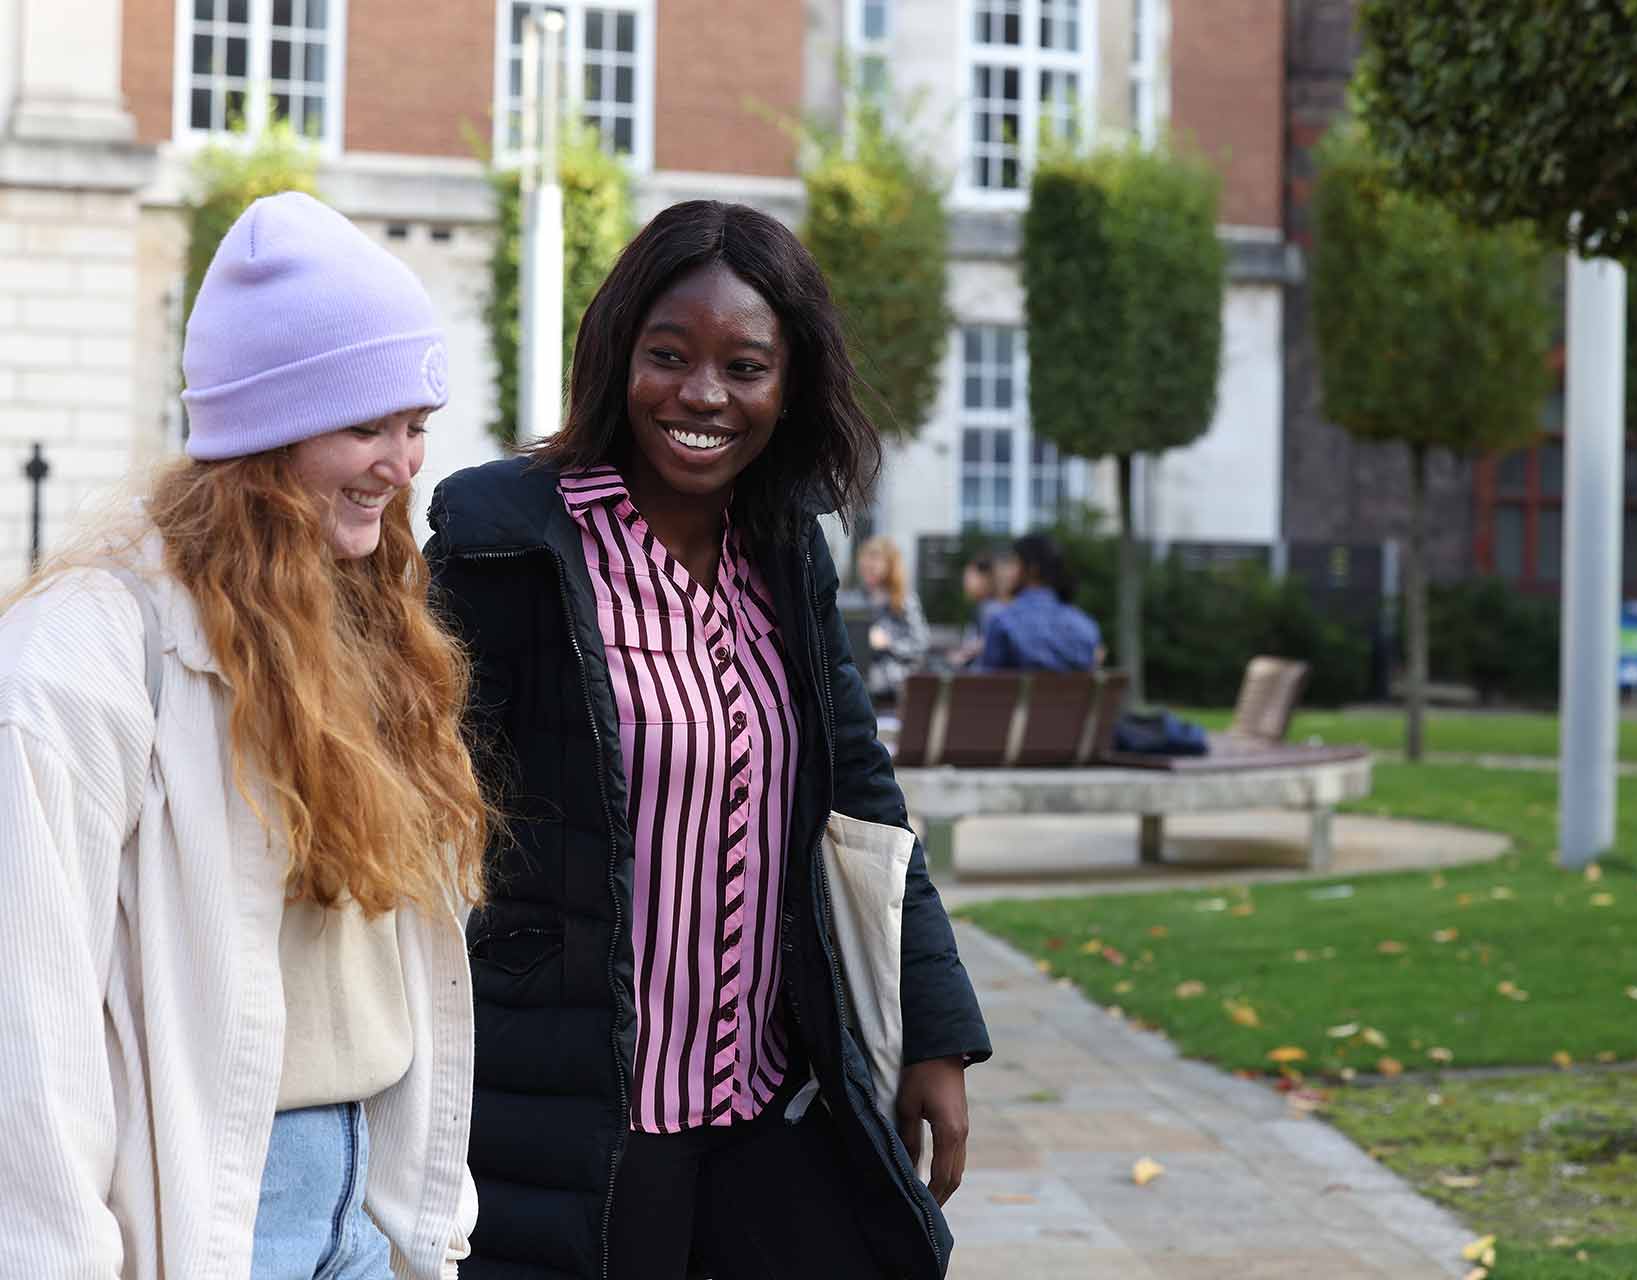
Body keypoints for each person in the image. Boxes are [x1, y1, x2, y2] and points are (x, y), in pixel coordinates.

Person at [425, 200, 991, 1280]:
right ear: (617, 357)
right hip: (578, 1119)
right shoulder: (507, 538)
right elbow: (414, 793)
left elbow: (860, 793)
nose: (702, 394)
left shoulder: (786, 549)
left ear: (789, 385)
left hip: (768, 1110)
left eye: (744, 365)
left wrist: (935, 1029)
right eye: (669, 355)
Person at [0, 192, 486, 1278]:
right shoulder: (74, 663)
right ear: (263, 438)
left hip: (362, 1211)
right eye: (367, 425)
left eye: (415, 426)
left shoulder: (365, 618)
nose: (405, 463)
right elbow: (26, 1039)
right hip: (207, 1213)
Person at [977, 532, 1103, 672]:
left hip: (1021, 694)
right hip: (1073, 694)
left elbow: (986, 684)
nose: (1007, 573)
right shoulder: (1086, 625)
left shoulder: (1003, 623)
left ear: (1032, 569)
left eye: (1013, 563)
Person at [854, 534, 929, 704]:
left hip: (892, 686)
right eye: (865, 562)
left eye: (874, 562)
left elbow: (920, 643)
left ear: (890, 565)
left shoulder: (904, 600)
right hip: (862, 681)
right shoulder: (858, 599)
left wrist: (889, 643)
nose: (868, 566)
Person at [945, 550, 1008, 668]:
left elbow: (989, 641)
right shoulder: (985, 607)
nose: (965, 583)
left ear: (985, 578)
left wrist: (964, 654)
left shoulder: (992, 609)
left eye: (968, 578)